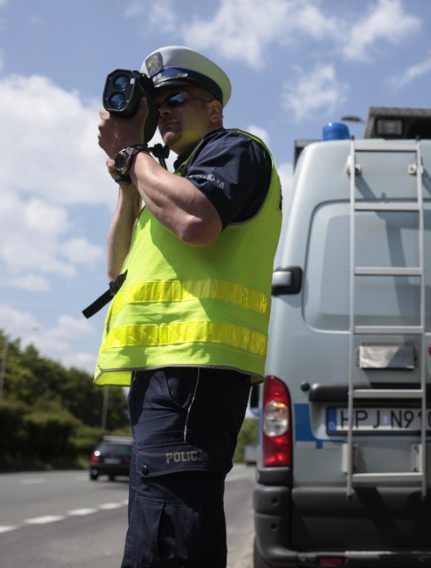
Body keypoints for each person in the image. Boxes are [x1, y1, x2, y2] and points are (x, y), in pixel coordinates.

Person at [93, 45, 281, 568]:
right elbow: (116, 270)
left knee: (169, 542)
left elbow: (198, 222)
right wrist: (128, 179)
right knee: (162, 533)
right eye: (156, 103)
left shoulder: (235, 149)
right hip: (166, 377)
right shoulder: (168, 181)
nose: (164, 110)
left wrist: (137, 155)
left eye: (176, 97)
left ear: (214, 110)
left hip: (192, 372)